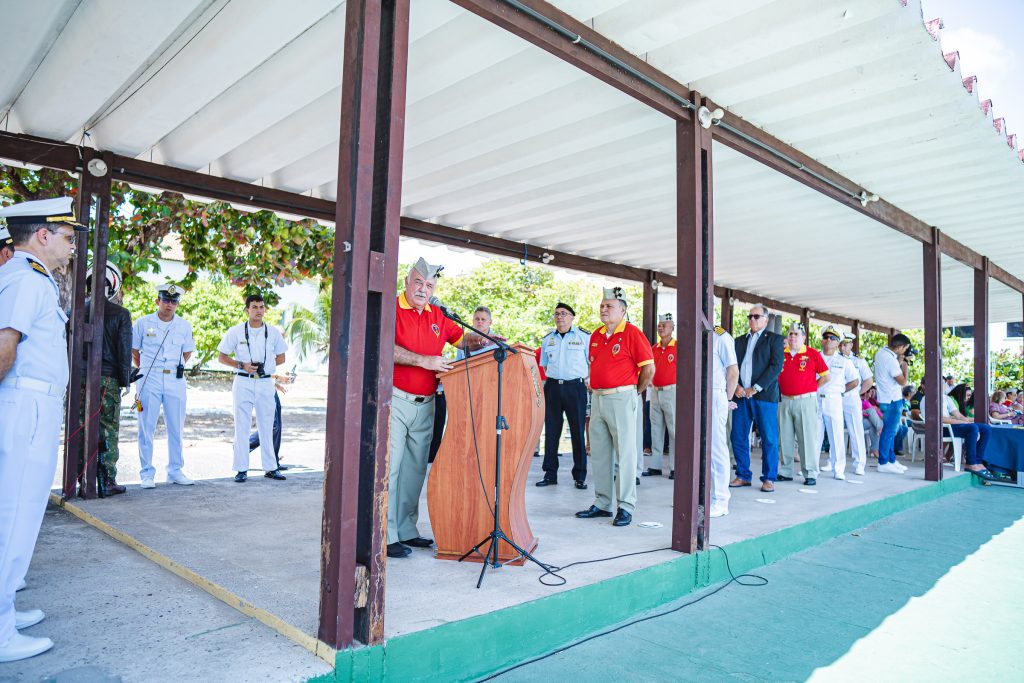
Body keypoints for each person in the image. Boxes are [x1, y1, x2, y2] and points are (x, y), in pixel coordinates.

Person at [0, 197, 86, 662]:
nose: (73, 248)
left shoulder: (27, 278)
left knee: (17, 513)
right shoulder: (27, 280)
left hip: (31, 404)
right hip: (25, 405)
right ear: (42, 235)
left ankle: (6, 605)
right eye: (69, 238)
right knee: (12, 517)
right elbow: (4, 346)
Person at [387, 259, 491, 558]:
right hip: (396, 399)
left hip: (428, 402)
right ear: (407, 282)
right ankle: (387, 532)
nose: (423, 289)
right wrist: (424, 361)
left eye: (429, 285)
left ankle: (407, 529)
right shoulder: (391, 308)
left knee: (415, 470)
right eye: (419, 283)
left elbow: (461, 339)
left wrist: (484, 340)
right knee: (391, 470)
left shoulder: (438, 314)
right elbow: (384, 346)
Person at [575, 286, 654, 527]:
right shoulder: (596, 335)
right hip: (598, 397)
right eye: (602, 305)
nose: (604, 309)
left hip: (622, 397)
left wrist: (634, 392)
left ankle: (626, 505)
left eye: (609, 306)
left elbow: (648, 370)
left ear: (622, 310)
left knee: (626, 453)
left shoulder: (632, 333)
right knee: (599, 451)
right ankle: (602, 503)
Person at [217, 294, 288, 483]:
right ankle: (241, 469)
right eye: (254, 307)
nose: (258, 310)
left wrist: (267, 366)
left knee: (267, 425)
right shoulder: (236, 331)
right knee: (242, 425)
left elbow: (282, 357)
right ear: (247, 309)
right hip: (243, 381)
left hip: (265, 382)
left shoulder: (272, 332)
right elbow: (222, 357)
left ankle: (271, 468)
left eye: (261, 307)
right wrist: (242, 365)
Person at [132, 283, 196, 489]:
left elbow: (187, 352)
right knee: (146, 427)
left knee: (176, 426)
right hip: (149, 377)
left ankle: (175, 470)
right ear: (158, 301)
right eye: (166, 300)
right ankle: (147, 473)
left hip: (174, 380)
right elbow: (134, 350)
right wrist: (146, 368)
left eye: (174, 301)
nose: (170, 305)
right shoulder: (143, 323)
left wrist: (175, 366)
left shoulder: (184, 326)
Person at [78, 261, 133, 496]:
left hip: (80, 379)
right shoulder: (121, 314)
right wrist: (125, 381)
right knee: (108, 429)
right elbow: (124, 350)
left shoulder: (76, 311)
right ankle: (107, 480)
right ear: (113, 287)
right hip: (108, 380)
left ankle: (82, 480)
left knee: (81, 428)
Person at [729, 304, 785, 493]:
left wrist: (755, 388)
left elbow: (775, 367)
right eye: (750, 316)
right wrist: (735, 386)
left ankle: (769, 477)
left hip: (764, 396)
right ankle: (743, 475)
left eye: (756, 316)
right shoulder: (739, 341)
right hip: (741, 395)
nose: (752, 319)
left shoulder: (775, 340)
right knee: (738, 435)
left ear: (766, 320)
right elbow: (731, 365)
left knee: (769, 437)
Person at [537, 302, 590, 489]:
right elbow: (544, 365)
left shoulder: (584, 337)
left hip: (575, 388)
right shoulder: (547, 339)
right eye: (557, 314)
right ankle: (550, 474)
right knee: (551, 432)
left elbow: (592, 362)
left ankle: (580, 476)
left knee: (577, 432)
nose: (560, 317)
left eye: (564, 314)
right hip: (552, 388)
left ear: (572, 317)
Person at [777, 323, 830, 486]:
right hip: (784, 400)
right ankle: (785, 471)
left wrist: (811, 387)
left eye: (797, 334)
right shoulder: (780, 354)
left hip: (805, 401)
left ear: (804, 337)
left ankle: (810, 473)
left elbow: (826, 377)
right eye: (791, 333)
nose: (793, 337)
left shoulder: (812, 353)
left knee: (807, 437)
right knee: (784, 437)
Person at [815, 325, 858, 479]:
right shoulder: (814, 357)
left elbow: (855, 381)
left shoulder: (844, 361)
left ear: (838, 342)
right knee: (814, 436)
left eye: (832, 338)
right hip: (815, 398)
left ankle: (838, 469)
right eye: (826, 337)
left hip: (834, 400)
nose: (828, 340)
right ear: (822, 340)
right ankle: (812, 468)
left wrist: (840, 391)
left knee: (836, 436)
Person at [920, 391, 994, 479]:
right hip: (939, 428)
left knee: (986, 429)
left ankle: (978, 461)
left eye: (943, 383)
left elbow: (958, 414)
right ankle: (970, 463)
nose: (942, 386)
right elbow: (940, 419)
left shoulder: (946, 398)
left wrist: (966, 421)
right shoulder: (928, 398)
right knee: (972, 428)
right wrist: (966, 424)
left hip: (950, 426)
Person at [710, 326, 739, 517]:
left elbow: (733, 371)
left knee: (717, 448)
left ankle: (720, 501)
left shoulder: (721, 336)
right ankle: (702, 496)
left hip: (714, 393)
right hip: (695, 393)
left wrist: (727, 399)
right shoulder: (692, 333)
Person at [872, 333, 912, 474]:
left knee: (889, 431)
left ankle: (891, 460)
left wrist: (900, 359)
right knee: (888, 432)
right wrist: (905, 366)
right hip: (892, 400)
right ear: (900, 347)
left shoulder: (881, 353)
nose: (905, 351)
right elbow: (902, 381)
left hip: (884, 398)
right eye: (905, 348)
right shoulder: (891, 360)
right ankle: (883, 462)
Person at [644, 313, 676, 478]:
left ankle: (674, 467)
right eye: (659, 325)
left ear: (672, 328)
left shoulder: (678, 346)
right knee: (655, 428)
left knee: (674, 429)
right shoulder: (653, 348)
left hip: (672, 392)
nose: (661, 327)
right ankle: (655, 465)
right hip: (655, 391)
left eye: (664, 325)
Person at [248, 370, 296, 470]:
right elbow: (256, 374)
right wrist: (278, 377)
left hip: (272, 391)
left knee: (277, 428)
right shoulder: (260, 354)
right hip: (264, 393)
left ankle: (274, 462)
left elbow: (266, 373)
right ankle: (245, 445)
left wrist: (276, 385)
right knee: (274, 426)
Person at [839, 332, 872, 475]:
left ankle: (860, 463)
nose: (842, 348)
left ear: (851, 345)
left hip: (851, 396)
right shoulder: (834, 358)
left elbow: (868, 381)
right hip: (835, 396)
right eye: (840, 344)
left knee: (856, 430)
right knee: (834, 430)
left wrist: (857, 393)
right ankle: (832, 461)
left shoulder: (859, 361)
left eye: (845, 345)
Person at [862, 387, 884, 459]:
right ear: (865, 393)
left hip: (863, 421)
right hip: (854, 422)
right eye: (870, 393)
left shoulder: (866, 402)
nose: (871, 395)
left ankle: (874, 450)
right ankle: (880, 428)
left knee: (873, 424)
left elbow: (878, 414)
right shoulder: (862, 402)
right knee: (871, 411)